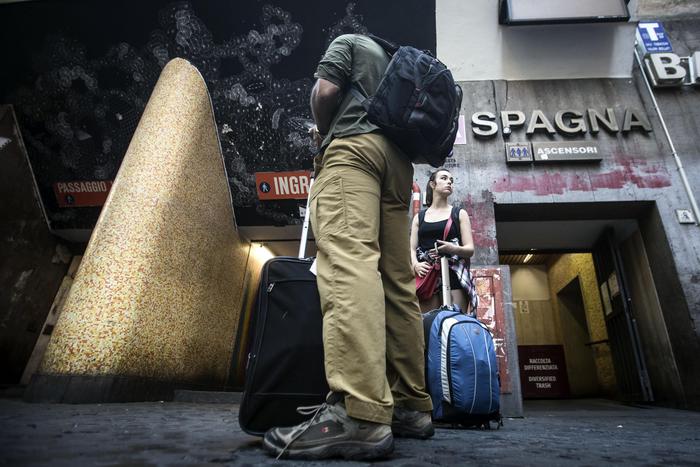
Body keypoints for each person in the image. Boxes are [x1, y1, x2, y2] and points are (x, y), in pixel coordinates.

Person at [262, 34, 433, 460]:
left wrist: (324, 131)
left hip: (353, 153)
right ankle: (410, 405)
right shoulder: (396, 57)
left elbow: (326, 90)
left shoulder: (349, 42)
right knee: (397, 283)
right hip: (397, 169)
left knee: (348, 266)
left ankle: (360, 413)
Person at [409, 169, 475, 313]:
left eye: (451, 180)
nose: (449, 182)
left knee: (456, 323)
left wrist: (452, 248)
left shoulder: (459, 214)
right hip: (427, 275)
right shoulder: (419, 217)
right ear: (432, 184)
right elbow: (412, 248)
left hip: (454, 274)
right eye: (444, 178)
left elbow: (470, 249)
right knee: (428, 325)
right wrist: (415, 265)